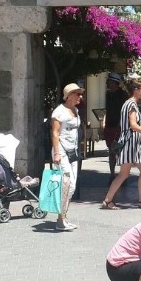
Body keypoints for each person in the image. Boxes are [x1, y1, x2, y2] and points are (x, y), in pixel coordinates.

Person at [101, 79, 141, 210]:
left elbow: (137, 125)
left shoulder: (130, 104)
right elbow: (133, 125)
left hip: (135, 144)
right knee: (124, 174)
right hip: (129, 144)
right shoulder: (131, 105)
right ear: (136, 90)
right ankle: (108, 200)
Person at [50, 82, 84, 232]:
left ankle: (64, 217)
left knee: (72, 185)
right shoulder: (59, 112)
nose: (80, 96)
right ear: (69, 95)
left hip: (73, 152)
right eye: (77, 93)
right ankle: (60, 219)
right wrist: (56, 153)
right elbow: (55, 133)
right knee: (66, 183)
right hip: (62, 151)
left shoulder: (76, 110)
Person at [102, 72, 128, 185]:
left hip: (120, 126)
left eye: (109, 81)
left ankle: (123, 175)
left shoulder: (123, 94)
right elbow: (107, 110)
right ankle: (112, 174)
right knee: (111, 151)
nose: (108, 83)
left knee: (121, 151)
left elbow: (125, 111)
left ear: (115, 83)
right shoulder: (108, 94)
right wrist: (104, 121)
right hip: (109, 125)